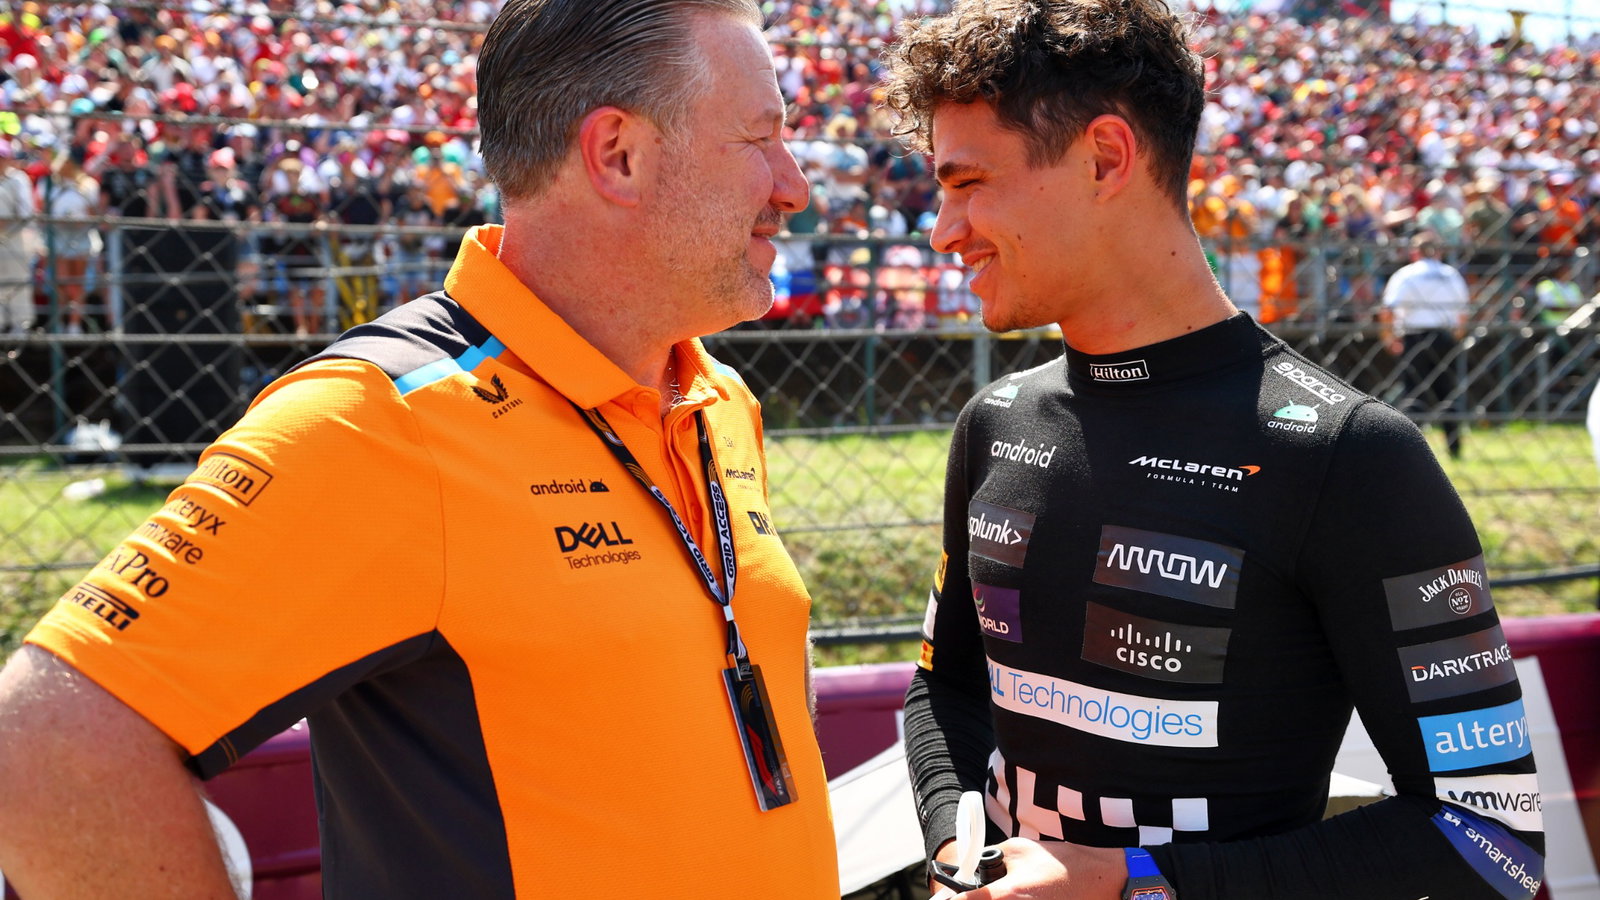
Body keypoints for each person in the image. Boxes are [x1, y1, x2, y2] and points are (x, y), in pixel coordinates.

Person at [0, 2, 839, 898]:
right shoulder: (380, 420)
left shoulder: (713, 395)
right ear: (618, 155)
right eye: (761, 139)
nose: (794, 184)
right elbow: (45, 744)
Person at [881, 2, 1544, 899]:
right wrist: (959, 850)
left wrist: (1134, 883)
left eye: (966, 184)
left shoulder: (1353, 455)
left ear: (1107, 158)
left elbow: (1491, 838)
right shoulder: (996, 421)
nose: (942, 231)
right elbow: (946, 692)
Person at [1380, 231, 1472, 459]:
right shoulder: (1450, 274)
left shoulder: (1406, 275)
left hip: (1415, 337)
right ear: (1439, 251)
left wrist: (1389, 338)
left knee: (1414, 394)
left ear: (1414, 252)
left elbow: (1388, 309)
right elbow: (1462, 314)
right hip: (1443, 337)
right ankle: (1455, 448)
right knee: (1447, 394)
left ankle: (1412, 452)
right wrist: (1455, 337)